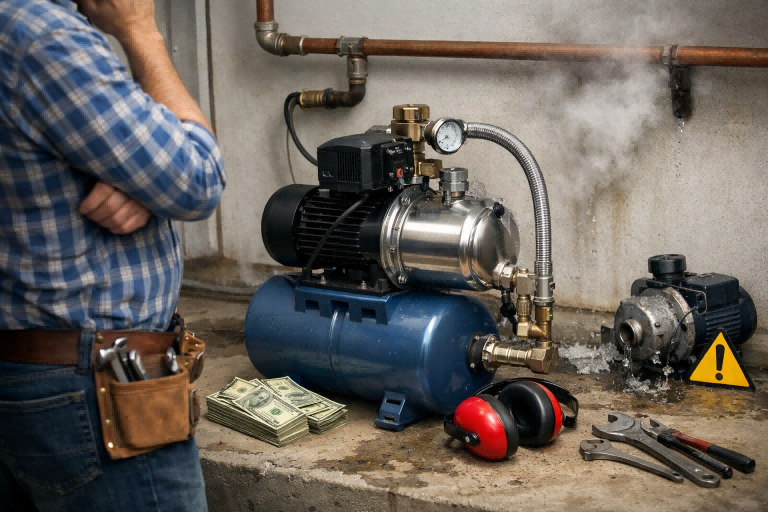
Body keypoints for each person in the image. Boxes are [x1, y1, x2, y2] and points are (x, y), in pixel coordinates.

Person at [0, 0, 226, 510]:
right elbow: (195, 177)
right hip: (92, 383)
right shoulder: (41, 34)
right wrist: (140, 31)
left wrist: (143, 185)